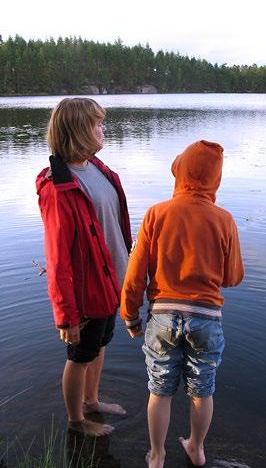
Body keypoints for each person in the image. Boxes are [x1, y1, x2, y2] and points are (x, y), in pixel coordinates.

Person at [120, 140, 244, 467]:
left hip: (161, 316)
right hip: (206, 319)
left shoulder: (156, 214)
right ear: (215, 178)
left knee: (159, 390)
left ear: (181, 171)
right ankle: (196, 449)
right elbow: (232, 278)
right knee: (202, 390)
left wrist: (130, 316)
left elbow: (135, 276)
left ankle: (157, 456)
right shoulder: (224, 220)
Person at [36, 97, 132, 437]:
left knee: (99, 345)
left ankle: (92, 401)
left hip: (110, 283)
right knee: (79, 356)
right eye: (96, 123)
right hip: (85, 291)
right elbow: (58, 257)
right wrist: (66, 315)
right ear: (78, 130)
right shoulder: (57, 188)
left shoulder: (98, 169)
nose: (102, 128)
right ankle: (76, 422)